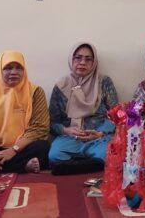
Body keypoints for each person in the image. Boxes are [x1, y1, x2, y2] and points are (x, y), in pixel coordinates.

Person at [49, 43, 119, 172]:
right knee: (54, 155)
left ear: (94, 62)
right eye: (78, 58)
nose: (82, 62)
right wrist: (67, 130)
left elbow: (116, 115)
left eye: (88, 59)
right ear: (71, 59)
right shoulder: (61, 86)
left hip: (98, 138)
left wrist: (100, 133)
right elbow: (53, 122)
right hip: (70, 138)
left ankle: (73, 166)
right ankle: (91, 165)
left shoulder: (104, 82)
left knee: (108, 154)